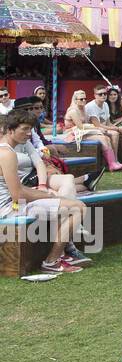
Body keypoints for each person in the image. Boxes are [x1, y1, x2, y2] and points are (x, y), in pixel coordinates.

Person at [1, 112, 90, 273]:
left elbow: (17, 190)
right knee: (78, 208)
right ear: (10, 130)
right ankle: (52, 261)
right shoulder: (7, 153)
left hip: (11, 205)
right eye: (25, 129)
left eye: (31, 129)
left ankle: (61, 254)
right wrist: (47, 195)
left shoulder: (7, 151)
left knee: (69, 204)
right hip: (8, 210)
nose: (29, 133)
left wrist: (45, 193)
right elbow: (17, 195)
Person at [63, 90, 122, 172]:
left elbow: (86, 125)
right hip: (72, 134)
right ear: (75, 100)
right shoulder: (73, 111)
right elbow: (81, 127)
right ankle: (112, 164)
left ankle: (112, 163)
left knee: (106, 138)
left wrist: (98, 128)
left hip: (82, 132)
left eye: (85, 99)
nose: (84, 100)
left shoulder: (84, 109)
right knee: (103, 138)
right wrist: (97, 128)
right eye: (81, 99)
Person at [83, 86, 122, 168]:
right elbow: (97, 125)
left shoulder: (105, 104)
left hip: (103, 129)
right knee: (115, 134)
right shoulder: (91, 106)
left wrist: (119, 128)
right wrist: (117, 129)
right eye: (100, 94)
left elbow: (108, 123)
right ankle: (114, 161)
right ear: (95, 95)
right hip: (93, 130)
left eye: (105, 93)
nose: (103, 96)